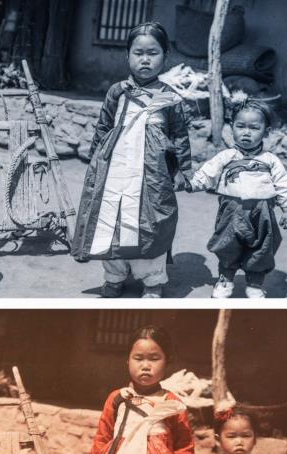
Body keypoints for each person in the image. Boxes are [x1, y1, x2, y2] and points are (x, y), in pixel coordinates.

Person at [71, 22, 192, 298]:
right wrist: (95, 162)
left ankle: (152, 281)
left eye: (153, 52)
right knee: (110, 221)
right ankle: (114, 276)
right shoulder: (118, 92)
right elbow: (103, 127)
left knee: (151, 224)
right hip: (116, 171)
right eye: (138, 53)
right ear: (127, 56)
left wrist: (183, 170)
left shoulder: (170, 99)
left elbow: (180, 137)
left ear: (166, 55)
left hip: (153, 176)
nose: (145, 59)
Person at [187, 99, 287, 298]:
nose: (246, 132)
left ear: (266, 131)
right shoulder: (227, 156)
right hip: (231, 211)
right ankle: (225, 280)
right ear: (232, 128)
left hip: (262, 212)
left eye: (254, 128)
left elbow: (284, 185)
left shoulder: (270, 160)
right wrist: (192, 184)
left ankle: (255, 284)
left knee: (262, 248)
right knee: (227, 244)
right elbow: (207, 174)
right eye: (240, 126)